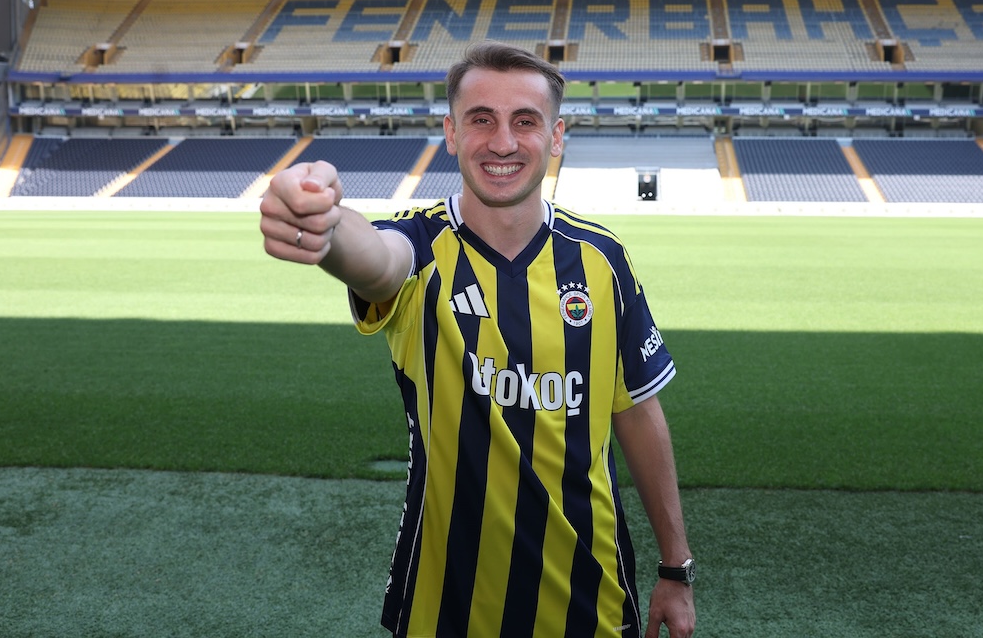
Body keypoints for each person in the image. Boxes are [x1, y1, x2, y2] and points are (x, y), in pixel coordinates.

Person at [260, 41, 696, 638]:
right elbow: (376, 261)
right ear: (451, 132)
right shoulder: (420, 248)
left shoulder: (603, 260)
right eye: (481, 120)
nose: (503, 142)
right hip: (443, 608)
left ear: (557, 135)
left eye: (525, 121)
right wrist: (327, 224)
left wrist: (676, 567)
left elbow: (638, 413)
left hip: (590, 602)